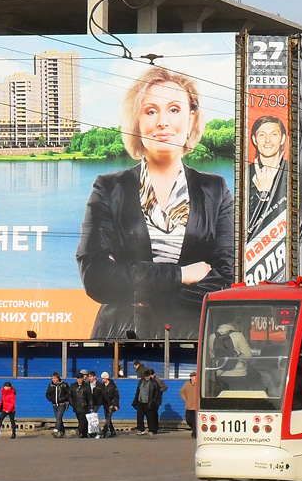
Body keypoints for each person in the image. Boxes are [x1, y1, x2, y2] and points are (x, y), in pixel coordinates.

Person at [76, 66, 235, 341]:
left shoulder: (215, 190)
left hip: (194, 338)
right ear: (136, 120)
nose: (163, 122)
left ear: (191, 117)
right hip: (120, 336)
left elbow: (227, 278)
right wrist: (181, 274)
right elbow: (96, 277)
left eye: (174, 109)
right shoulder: (109, 188)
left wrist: (141, 290)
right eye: (151, 111)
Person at [247, 115, 288, 238]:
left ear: (282, 139)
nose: (268, 140)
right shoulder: (245, 175)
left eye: (274, 134)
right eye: (262, 135)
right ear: (254, 140)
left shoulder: (292, 173)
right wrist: (261, 194)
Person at [207, 322, 254, 393]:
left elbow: (212, 356)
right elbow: (248, 355)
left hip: (220, 373)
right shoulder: (238, 335)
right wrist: (243, 362)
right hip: (238, 373)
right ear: (232, 323)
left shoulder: (212, 337)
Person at [132, 367, 167, 436]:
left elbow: (157, 392)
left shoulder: (154, 382)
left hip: (149, 401)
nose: (147, 377)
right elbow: (138, 391)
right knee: (139, 416)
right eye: (146, 376)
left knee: (150, 417)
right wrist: (135, 399)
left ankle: (152, 430)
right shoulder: (141, 381)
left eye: (148, 376)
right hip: (141, 401)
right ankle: (141, 429)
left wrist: (153, 401)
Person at [68, 371, 94, 438]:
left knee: (83, 420)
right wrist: (72, 403)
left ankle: (80, 431)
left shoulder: (86, 386)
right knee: (80, 420)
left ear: (83, 379)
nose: (79, 380)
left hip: (84, 406)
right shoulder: (73, 386)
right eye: (78, 378)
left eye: (80, 378)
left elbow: (89, 397)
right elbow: (69, 395)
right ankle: (84, 433)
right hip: (76, 406)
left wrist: (91, 405)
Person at [45, 371, 69, 438]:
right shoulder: (51, 385)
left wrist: (64, 399)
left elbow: (68, 393)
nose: (53, 380)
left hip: (62, 404)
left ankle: (56, 430)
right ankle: (62, 432)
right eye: (52, 378)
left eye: (55, 378)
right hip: (54, 404)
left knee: (58, 416)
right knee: (59, 418)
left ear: (58, 378)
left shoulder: (64, 385)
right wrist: (51, 399)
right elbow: (47, 394)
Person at [98, 371, 120, 438]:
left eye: (103, 378)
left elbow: (116, 395)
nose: (102, 380)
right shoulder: (102, 386)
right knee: (108, 418)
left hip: (112, 404)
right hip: (106, 404)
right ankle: (113, 431)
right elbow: (102, 395)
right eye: (102, 378)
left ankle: (104, 432)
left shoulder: (112, 385)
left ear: (106, 378)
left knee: (108, 418)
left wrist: (116, 405)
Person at [180, 371, 198, 437]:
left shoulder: (199, 384)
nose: (195, 378)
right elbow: (182, 392)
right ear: (191, 378)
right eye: (194, 377)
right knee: (188, 419)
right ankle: (194, 430)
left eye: (196, 377)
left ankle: (194, 433)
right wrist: (185, 399)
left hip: (197, 406)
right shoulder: (187, 384)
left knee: (195, 421)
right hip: (189, 406)